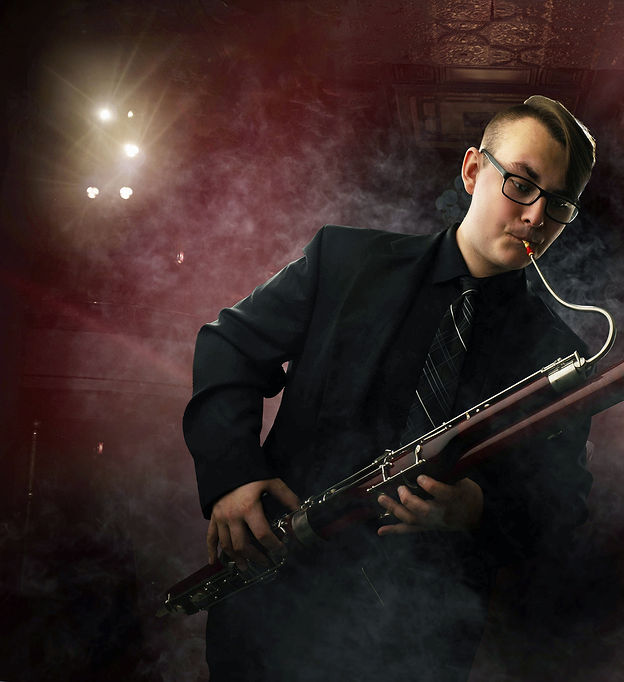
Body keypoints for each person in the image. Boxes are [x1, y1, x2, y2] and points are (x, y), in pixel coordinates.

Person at [182, 95, 597, 681]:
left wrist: (481, 509)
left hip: (420, 641)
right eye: (523, 184)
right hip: (277, 605)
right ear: (474, 169)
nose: (536, 217)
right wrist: (233, 475)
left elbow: (563, 504)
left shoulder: (562, 352)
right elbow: (230, 345)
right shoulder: (344, 258)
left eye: (559, 204)